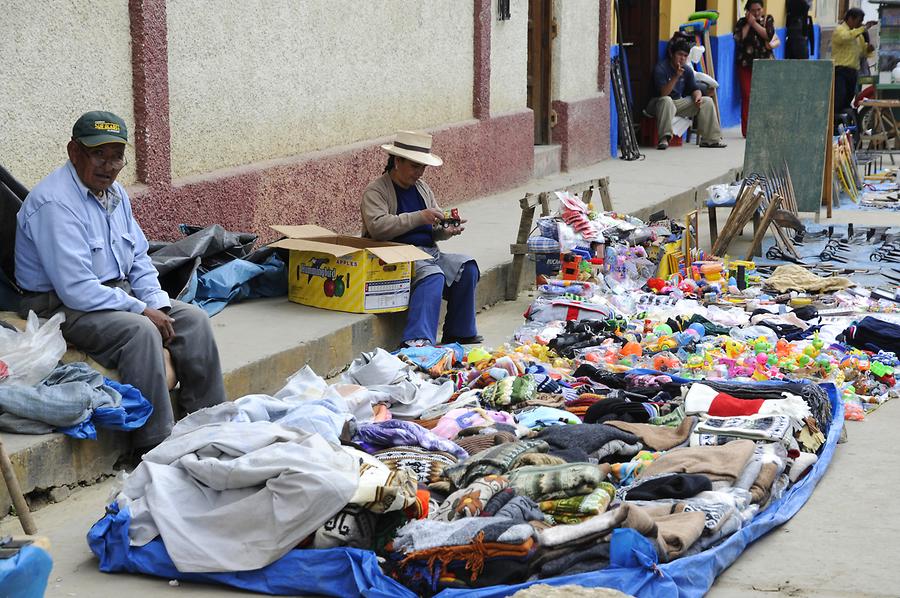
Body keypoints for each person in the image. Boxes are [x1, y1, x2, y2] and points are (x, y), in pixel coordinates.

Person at [15, 111, 226, 451]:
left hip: (111, 294)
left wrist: (156, 302)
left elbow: (139, 259)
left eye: (117, 158)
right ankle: (155, 445)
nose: (109, 166)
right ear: (74, 152)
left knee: (194, 320)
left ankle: (211, 424)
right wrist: (142, 310)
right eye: (99, 155)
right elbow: (77, 290)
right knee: (140, 332)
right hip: (58, 304)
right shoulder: (55, 203)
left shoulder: (114, 195)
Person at [361, 131, 481, 348]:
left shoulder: (422, 188)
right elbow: (377, 227)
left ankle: (459, 332)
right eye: (415, 166)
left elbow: (431, 230)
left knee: (467, 267)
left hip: (427, 252)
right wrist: (419, 217)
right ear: (397, 161)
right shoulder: (376, 191)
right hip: (393, 254)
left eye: (423, 167)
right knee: (432, 275)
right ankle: (417, 340)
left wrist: (445, 230)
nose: (420, 173)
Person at [647, 33, 726, 150]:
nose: (682, 58)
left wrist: (697, 97)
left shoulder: (687, 70)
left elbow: (694, 88)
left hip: (677, 104)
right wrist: (676, 76)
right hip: (658, 104)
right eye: (679, 54)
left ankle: (711, 140)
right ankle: (664, 139)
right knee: (667, 100)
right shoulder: (661, 68)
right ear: (671, 54)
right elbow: (663, 94)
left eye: (685, 55)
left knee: (707, 101)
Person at [734, 1, 776, 138]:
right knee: (747, 96)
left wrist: (754, 24)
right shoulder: (741, 23)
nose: (756, 13)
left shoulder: (768, 20)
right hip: (746, 64)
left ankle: (765, 127)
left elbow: (768, 35)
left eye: (758, 10)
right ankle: (747, 130)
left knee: (765, 96)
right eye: (753, 11)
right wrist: (748, 23)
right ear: (748, 11)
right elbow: (739, 38)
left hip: (765, 64)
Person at [831, 9, 877, 122]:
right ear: (850, 19)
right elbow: (845, 38)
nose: (859, 24)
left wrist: (869, 49)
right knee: (839, 99)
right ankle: (835, 124)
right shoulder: (840, 30)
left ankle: (845, 123)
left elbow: (862, 52)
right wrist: (863, 29)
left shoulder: (858, 36)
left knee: (848, 99)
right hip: (840, 70)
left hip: (853, 71)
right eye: (858, 21)